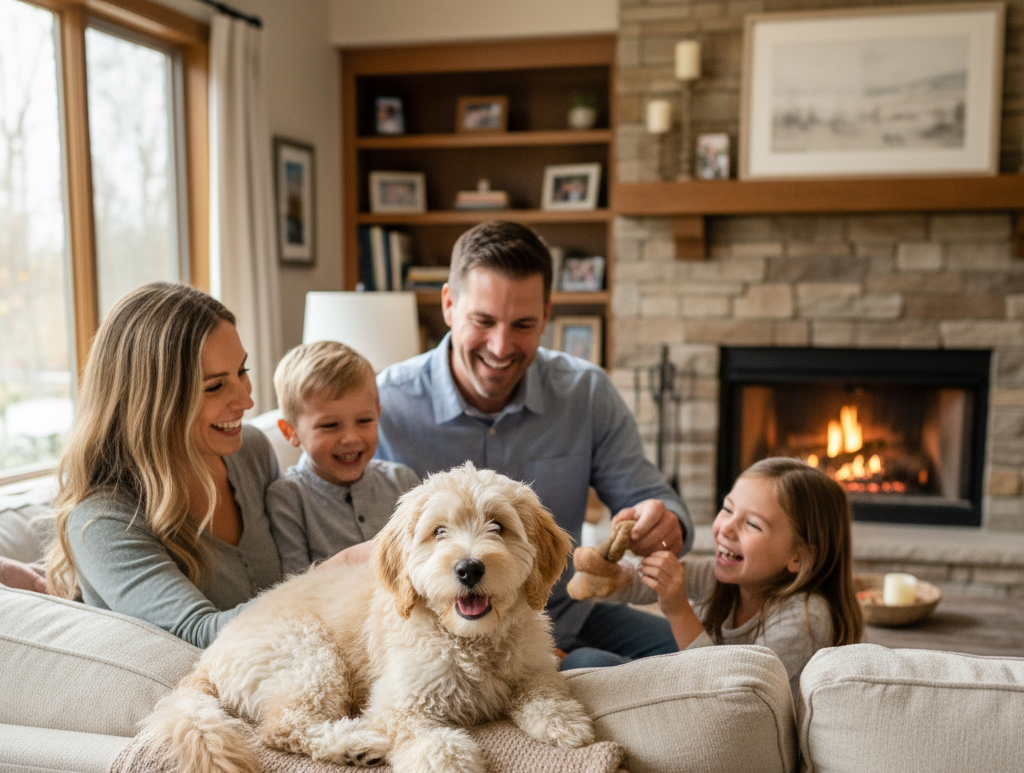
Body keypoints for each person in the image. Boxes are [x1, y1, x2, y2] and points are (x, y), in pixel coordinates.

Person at [374, 219, 694, 668]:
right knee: (600, 672)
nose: (501, 346)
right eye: (483, 321)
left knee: (707, 656)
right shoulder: (384, 404)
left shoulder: (585, 392)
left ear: (546, 314)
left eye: (522, 324)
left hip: (571, 611)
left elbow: (652, 499)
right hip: (441, 639)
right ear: (449, 304)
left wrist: (663, 523)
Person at [46, 282, 283, 648]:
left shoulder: (251, 450)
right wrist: (325, 582)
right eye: (215, 386)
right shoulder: (102, 521)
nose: (247, 399)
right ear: (155, 403)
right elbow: (201, 635)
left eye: (242, 371)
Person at [613, 457, 863, 699]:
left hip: (749, 728)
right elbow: (644, 579)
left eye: (753, 524)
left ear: (799, 557)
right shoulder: (724, 579)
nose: (726, 528)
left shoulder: (806, 618)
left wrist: (679, 611)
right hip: (706, 696)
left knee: (593, 663)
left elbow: (728, 696)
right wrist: (609, 576)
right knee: (592, 660)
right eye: (727, 509)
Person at [266, 340, 419, 576]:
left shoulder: (402, 480)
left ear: (377, 415)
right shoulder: (287, 498)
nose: (350, 438)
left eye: (364, 421)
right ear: (290, 432)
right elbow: (295, 588)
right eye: (330, 425)